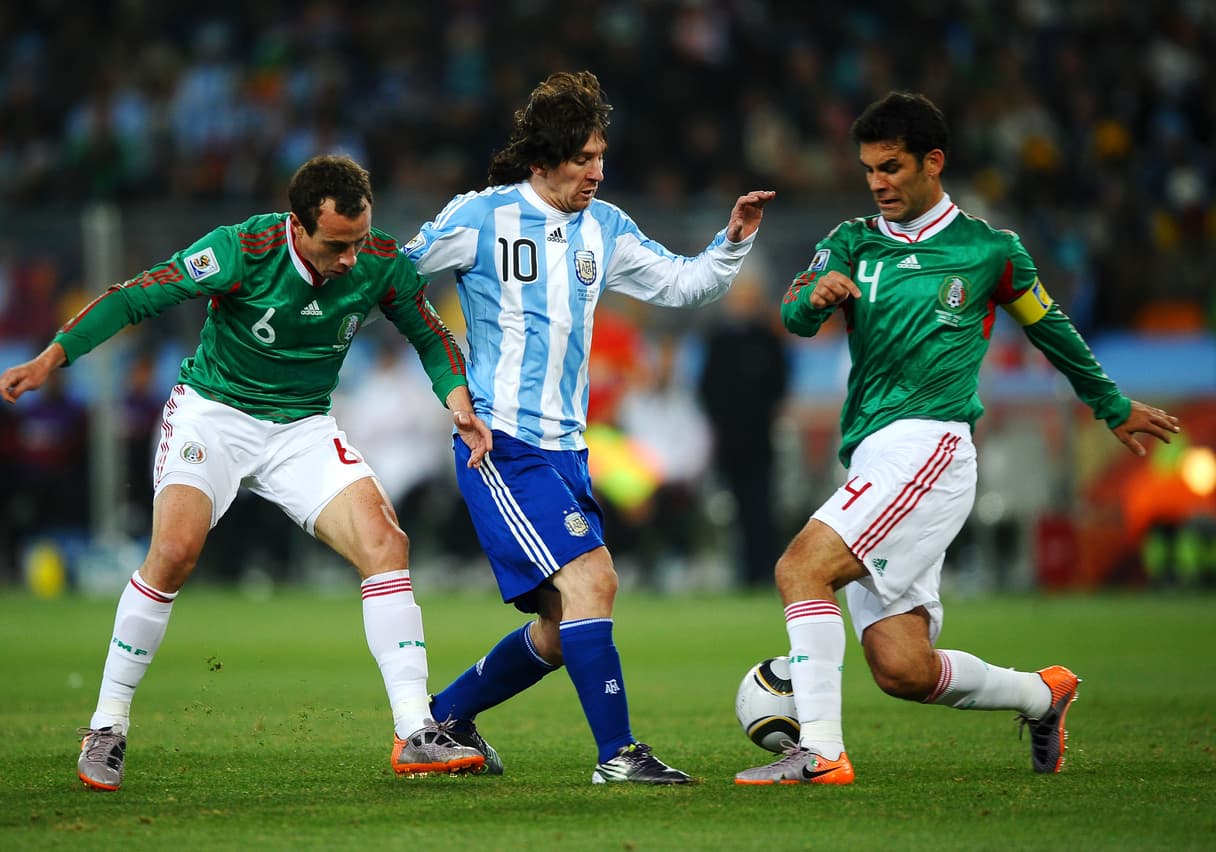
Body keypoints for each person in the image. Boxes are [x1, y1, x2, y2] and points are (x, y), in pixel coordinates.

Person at [0, 154, 492, 791]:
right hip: (214, 416)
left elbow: (430, 334)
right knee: (173, 553)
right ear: (297, 225)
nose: (351, 258)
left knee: (386, 543)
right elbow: (136, 296)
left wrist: (458, 402)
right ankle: (107, 725)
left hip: (302, 426)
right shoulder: (241, 250)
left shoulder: (379, 259)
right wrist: (52, 358)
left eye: (359, 240)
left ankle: (415, 731)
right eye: (337, 245)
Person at [734, 91, 1181, 786]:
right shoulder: (853, 240)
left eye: (891, 167)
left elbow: (1050, 327)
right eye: (868, 169)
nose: (877, 182)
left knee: (800, 568)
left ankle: (820, 753)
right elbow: (792, 313)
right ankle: (1044, 694)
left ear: (933, 162)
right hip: (874, 455)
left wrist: (1109, 402)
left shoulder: (989, 251)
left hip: (930, 448)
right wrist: (814, 297)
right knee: (902, 668)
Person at [401, 70, 775, 784]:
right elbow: (394, 279)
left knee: (559, 626)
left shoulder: (605, 227)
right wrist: (447, 377)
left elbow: (682, 283)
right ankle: (618, 755)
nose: (597, 172)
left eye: (601, 156)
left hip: (569, 451)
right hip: (502, 443)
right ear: (543, 160)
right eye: (583, 159)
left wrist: (731, 242)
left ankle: (441, 721)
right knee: (594, 581)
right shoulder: (480, 217)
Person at [698, 271, 790, 588]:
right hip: (730, 438)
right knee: (734, 507)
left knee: (762, 504)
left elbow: (780, 384)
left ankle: (765, 569)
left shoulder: (768, 339)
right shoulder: (718, 340)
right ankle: (742, 571)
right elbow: (707, 387)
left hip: (760, 437)